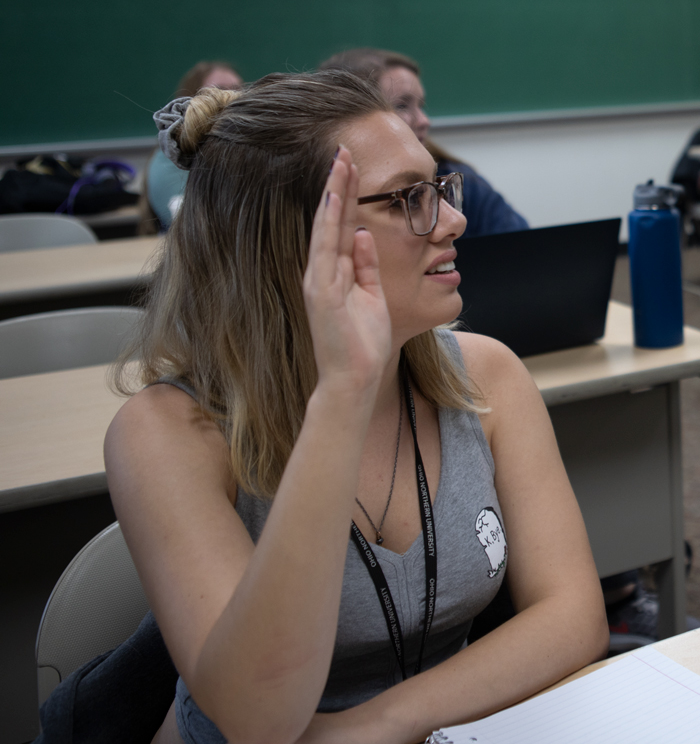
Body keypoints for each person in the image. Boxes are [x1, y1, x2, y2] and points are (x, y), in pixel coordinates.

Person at [106, 71, 607, 744]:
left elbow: (573, 614)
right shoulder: (167, 432)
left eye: (440, 189)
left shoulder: (488, 375)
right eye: (408, 199)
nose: (454, 220)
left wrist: (377, 724)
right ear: (293, 240)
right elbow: (258, 717)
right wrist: (342, 394)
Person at [319, 48, 529, 238]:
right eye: (402, 105)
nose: (424, 120)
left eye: (420, 105)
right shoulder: (322, 191)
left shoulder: (461, 181)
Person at [140, 61, 243, 232]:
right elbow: (190, 224)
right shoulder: (168, 160)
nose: (232, 96)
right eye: (220, 89)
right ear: (192, 100)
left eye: (238, 89)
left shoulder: (244, 151)